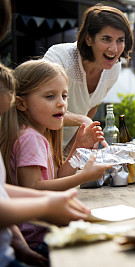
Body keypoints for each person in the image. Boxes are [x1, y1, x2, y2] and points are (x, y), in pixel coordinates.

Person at [0, 59, 112, 259]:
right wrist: (82, 177)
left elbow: (56, 178)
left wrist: (78, 147)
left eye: (64, 95)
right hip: (37, 239)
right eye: (50, 96)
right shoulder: (30, 139)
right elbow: (33, 188)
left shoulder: (35, 134)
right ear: (21, 103)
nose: (61, 103)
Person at [42, 4, 134, 154]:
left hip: (65, 152)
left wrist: (70, 153)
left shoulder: (114, 68)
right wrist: (82, 120)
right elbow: (41, 109)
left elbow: (92, 106)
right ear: (89, 39)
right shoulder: (60, 57)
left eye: (120, 40)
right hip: (37, 148)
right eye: (106, 39)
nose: (114, 49)